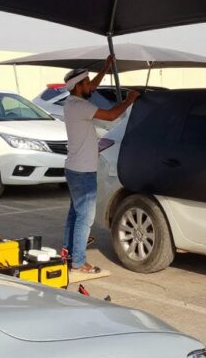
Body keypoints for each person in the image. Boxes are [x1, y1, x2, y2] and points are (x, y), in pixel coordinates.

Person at [61, 55, 140, 274]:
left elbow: (91, 86)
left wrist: (105, 67)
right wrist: (130, 99)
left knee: (75, 215)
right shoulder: (80, 106)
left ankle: (67, 254)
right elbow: (112, 115)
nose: (91, 87)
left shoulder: (72, 102)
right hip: (83, 171)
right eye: (86, 83)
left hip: (74, 168)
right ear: (78, 87)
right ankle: (78, 262)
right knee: (85, 219)